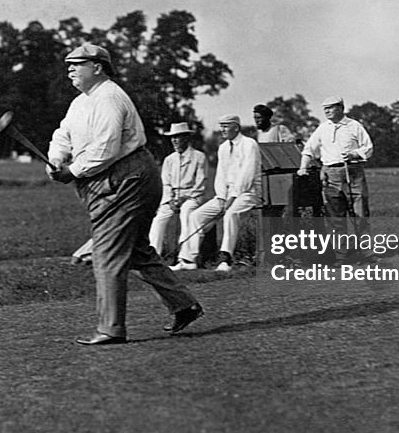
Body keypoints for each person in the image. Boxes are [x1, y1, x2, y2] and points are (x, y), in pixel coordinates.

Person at [47, 43, 203, 345]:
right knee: (135, 250)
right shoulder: (81, 102)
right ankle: (184, 304)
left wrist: (72, 171)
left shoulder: (109, 97)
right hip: (116, 178)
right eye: (69, 64)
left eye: (78, 63)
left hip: (126, 178)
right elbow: (62, 135)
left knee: (106, 253)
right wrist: (56, 159)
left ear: (98, 67)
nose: (70, 69)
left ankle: (111, 328)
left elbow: (105, 148)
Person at [174, 114, 261, 273]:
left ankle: (225, 259)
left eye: (226, 126)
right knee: (196, 216)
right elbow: (221, 175)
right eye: (221, 126)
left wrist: (232, 198)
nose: (222, 129)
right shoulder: (223, 148)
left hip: (248, 193)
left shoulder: (250, 144)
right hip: (226, 195)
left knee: (230, 215)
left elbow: (247, 176)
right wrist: (221, 197)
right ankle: (188, 260)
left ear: (236, 127)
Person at [297, 96, 373, 257]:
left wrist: (354, 154)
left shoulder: (354, 125)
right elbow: (309, 149)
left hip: (353, 171)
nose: (327, 111)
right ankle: (342, 255)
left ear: (341, 108)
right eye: (325, 108)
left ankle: (366, 252)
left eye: (330, 108)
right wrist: (303, 167)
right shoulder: (322, 128)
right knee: (335, 217)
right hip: (331, 174)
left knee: (359, 213)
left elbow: (368, 148)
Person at [148, 122, 207, 263]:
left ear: (186, 138)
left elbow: (200, 184)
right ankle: (153, 256)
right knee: (159, 219)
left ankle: (185, 258)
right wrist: (170, 200)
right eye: (172, 137)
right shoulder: (169, 160)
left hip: (192, 197)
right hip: (172, 198)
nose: (174, 140)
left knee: (187, 212)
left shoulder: (199, 157)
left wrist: (185, 198)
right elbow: (165, 183)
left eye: (178, 137)